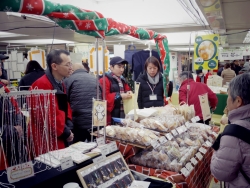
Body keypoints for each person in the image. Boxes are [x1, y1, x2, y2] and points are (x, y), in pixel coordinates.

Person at [30, 49, 74, 155]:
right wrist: (65, 132)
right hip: (46, 137)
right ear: (54, 66)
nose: (71, 68)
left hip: (58, 132)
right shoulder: (42, 84)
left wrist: (68, 125)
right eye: (67, 65)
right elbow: (44, 116)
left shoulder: (60, 83)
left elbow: (64, 105)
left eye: (70, 64)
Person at [211, 73, 250, 187]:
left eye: (228, 96)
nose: (227, 100)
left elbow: (220, 172)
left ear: (238, 101)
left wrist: (215, 152)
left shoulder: (234, 134)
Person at [64, 63, 101, 143]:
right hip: (96, 121)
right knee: (95, 148)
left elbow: (65, 101)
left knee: (78, 148)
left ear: (73, 70)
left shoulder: (69, 80)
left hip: (78, 123)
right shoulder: (95, 79)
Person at [99, 56, 132, 125]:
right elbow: (104, 97)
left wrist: (129, 92)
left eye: (123, 67)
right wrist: (120, 96)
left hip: (123, 113)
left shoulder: (123, 80)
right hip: (110, 115)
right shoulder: (104, 80)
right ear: (111, 67)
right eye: (119, 67)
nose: (122, 70)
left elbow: (127, 89)